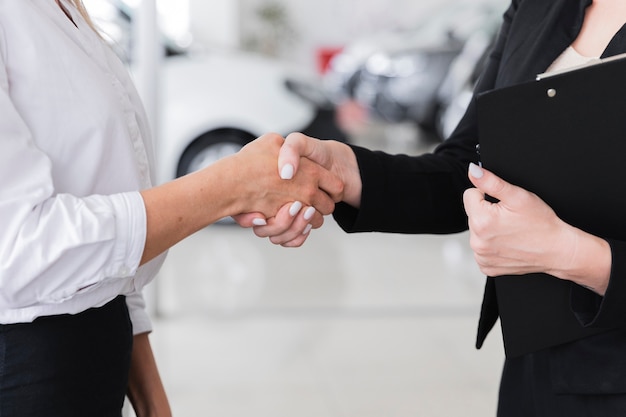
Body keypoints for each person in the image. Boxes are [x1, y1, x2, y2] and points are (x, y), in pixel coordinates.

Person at [241, 0, 626, 414]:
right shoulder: (538, 6)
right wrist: (346, 171)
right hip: (537, 365)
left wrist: (570, 254)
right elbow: (468, 168)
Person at [0, 1, 343, 416]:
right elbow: (16, 249)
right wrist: (231, 186)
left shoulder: (64, 11)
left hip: (96, 364)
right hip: (27, 377)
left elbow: (107, 268)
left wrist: (154, 403)